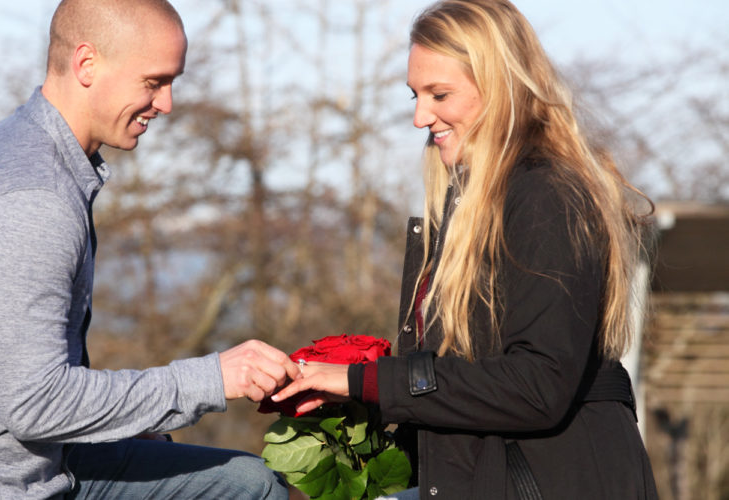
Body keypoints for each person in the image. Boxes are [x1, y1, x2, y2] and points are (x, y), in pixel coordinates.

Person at [0, 1, 297, 498]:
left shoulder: (41, 159)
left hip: (44, 463)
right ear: (87, 64)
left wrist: (130, 421)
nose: (167, 103)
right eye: (153, 82)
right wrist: (212, 379)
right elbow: (35, 402)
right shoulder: (31, 198)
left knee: (244, 484)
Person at [272, 0, 658, 498]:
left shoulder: (546, 195)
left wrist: (365, 380)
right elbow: (468, 378)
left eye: (439, 94)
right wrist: (353, 393)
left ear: (500, 85)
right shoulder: (472, 201)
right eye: (415, 94)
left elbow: (536, 385)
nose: (419, 117)